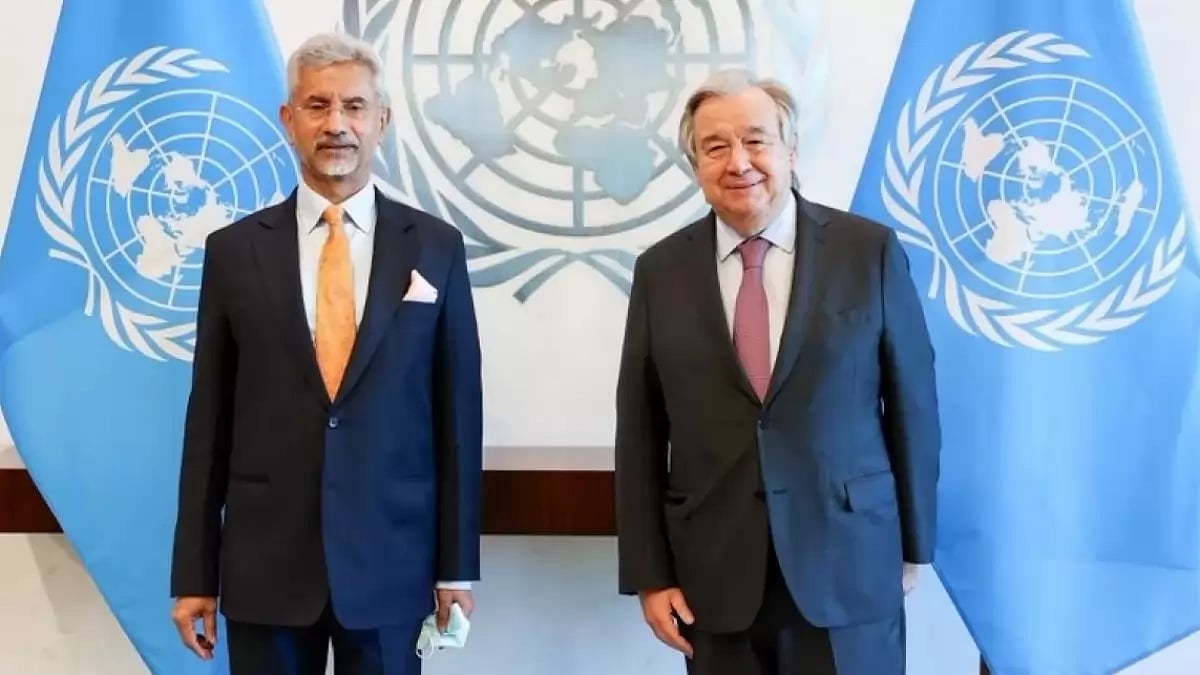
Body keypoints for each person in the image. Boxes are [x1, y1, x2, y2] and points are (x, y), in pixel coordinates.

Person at [169, 32, 482, 675]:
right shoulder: (233, 252)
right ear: (289, 119)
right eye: (317, 106)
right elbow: (209, 425)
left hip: (393, 566)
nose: (336, 124)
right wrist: (194, 573)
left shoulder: (436, 248)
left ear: (382, 121)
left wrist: (458, 569)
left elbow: (458, 419)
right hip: (265, 570)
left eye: (354, 107)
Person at [614, 68, 941, 675]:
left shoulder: (867, 251)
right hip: (715, 578)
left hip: (850, 565)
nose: (739, 162)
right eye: (715, 146)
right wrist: (648, 575)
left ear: (790, 151)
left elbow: (913, 403)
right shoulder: (659, 272)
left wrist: (914, 544)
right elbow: (638, 430)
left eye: (756, 140)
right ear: (695, 164)